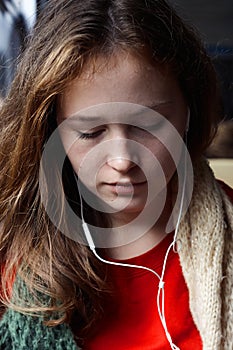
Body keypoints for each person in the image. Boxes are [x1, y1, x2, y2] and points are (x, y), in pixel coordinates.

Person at [0, 1, 232, 349]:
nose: (122, 160)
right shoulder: (11, 247)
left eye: (148, 125)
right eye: (91, 133)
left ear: (189, 113)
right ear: (52, 133)